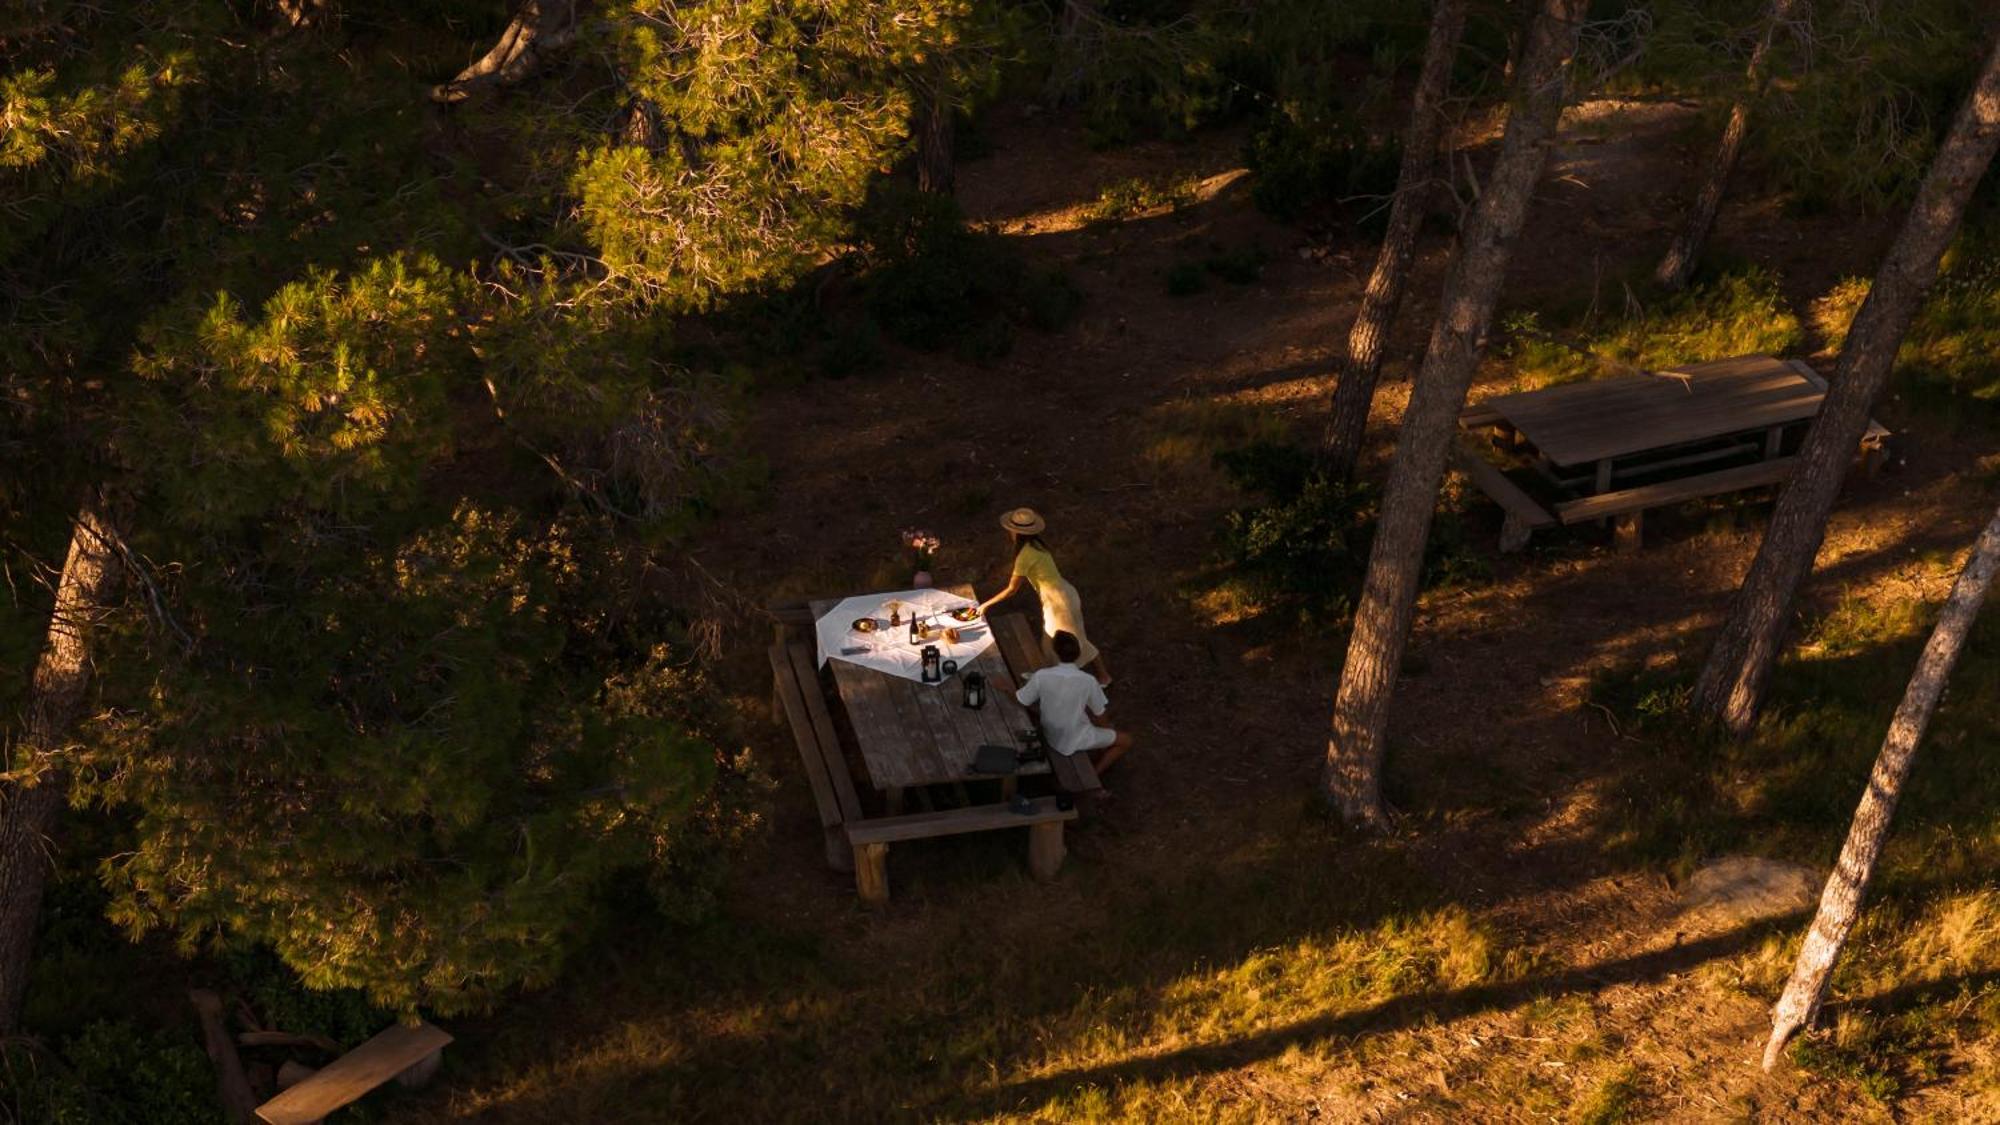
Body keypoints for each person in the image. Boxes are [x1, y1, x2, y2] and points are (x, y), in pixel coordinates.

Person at [974, 507, 1109, 685]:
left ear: (1015, 532)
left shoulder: (1025, 555)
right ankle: (1045, 674)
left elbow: (1012, 589)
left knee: (1066, 640)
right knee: (1051, 641)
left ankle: (1096, 677)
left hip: (1059, 602)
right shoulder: (1037, 545)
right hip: (1064, 593)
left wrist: (986, 605)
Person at [1013, 631, 1131, 774]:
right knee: (1126, 740)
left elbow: (1023, 700)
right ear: (1078, 653)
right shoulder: (1088, 681)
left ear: (1055, 652)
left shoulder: (1041, 675)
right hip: (1071, 740)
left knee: (1087, 717)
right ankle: (1095, 772)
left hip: (1050, 732)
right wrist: (1107, 732)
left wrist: (1006, 689)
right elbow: (1100, 714)